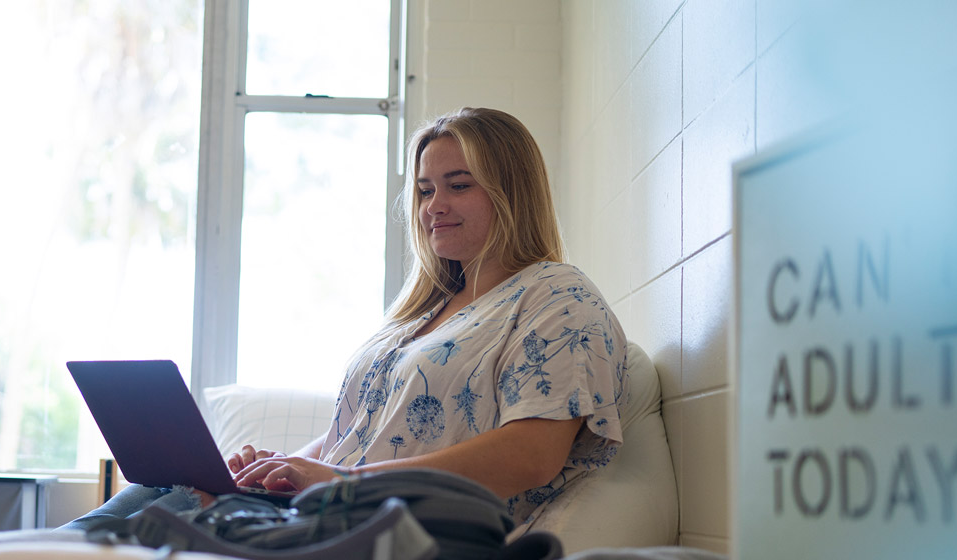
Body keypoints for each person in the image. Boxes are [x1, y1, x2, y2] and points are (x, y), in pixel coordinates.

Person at [64, 107, 626, 531]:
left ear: (512, 192)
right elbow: (354, 436)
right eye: (426, 190)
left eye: (460, 185)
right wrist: (284, 467)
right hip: (319, 506)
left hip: (381, 524)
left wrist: (342, 483)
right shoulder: (424, 315)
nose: (434, 206)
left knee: (155, 517)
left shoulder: (556, 297)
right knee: (169, 484)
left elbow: (531, 455)